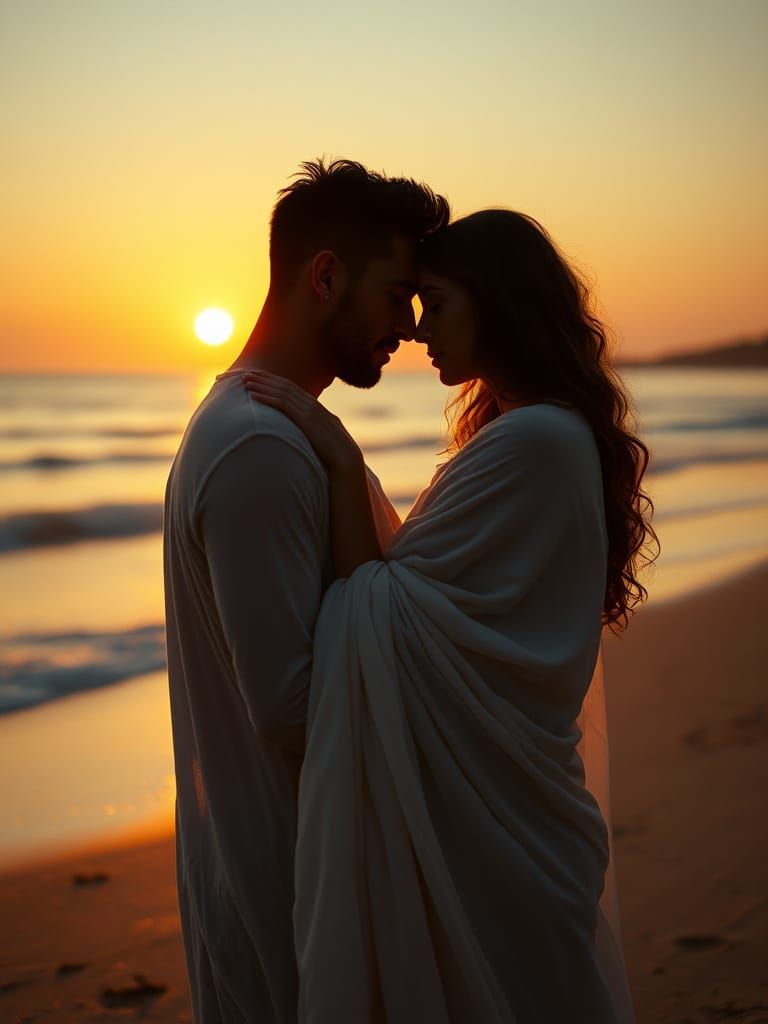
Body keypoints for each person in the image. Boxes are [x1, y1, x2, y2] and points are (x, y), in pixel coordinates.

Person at [243, 208, 657, 1022]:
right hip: (510, 804)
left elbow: (374, 610)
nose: (418, 330)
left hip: (502, 819)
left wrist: (337, 456)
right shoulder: (538, 432)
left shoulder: (533, 441)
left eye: (435, 303)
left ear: (495, 304)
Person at [163, 158, 449, 1024]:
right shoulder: (261, 448)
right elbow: (290, 705)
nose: (408, 325)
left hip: (291, 877)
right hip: (292, 897)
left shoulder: (270, 429)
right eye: (398, 292)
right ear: (326, 276)